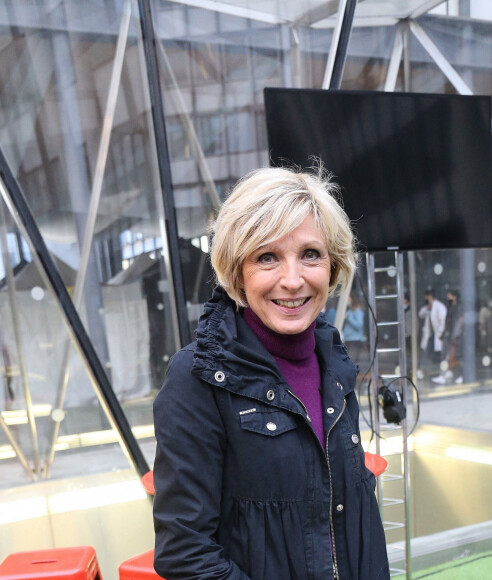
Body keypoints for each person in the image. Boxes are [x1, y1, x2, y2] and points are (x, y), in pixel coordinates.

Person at [152, 165, 390, 580]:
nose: (293, 280)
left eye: (310, 254)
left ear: (332, 267)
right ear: (237, 272)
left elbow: (355, 514)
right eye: (267, 257)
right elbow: (186, 554)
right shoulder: (198, 377)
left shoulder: (334, 362)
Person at [432, 289, 463, 385]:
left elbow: (458, 323)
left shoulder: (458, 308)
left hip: (454, 337)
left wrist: (454, 336)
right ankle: (450, 375)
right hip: (450, 336)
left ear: (455, 297)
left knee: (451, 357)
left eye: (449, 296)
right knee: (449, 357)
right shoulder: (451, 308)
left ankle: (447, 375)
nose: (447, 299)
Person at [418, 288, 447, 380]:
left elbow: (443, 320)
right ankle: (422, 370)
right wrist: (427, 308)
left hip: (438, 335)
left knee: (441, 355)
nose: (425, 298)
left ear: (429, 296)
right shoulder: (428, 307)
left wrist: (441, 332)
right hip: (431, 335)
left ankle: (443, 374)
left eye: (426, 296)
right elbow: (420, 314)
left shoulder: (439, 306)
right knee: (427, 353)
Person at [342, 293, 368, 364]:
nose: (346, 300)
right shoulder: (350, 310)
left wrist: (348, 318)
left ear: (352, 299)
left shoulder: (357, 310)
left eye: (348, 298)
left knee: (350, 362)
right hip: (349, 340)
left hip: (355, 341)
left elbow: (359, 325)